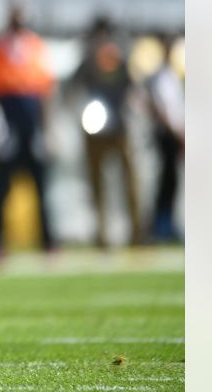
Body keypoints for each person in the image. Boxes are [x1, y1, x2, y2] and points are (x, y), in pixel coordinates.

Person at [0, 1, 56, 253]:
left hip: (30, 122)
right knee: (2, 187)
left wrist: (45, 131)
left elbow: (44, 91)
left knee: (41, 189)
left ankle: (48, 242)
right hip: (7, 121)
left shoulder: (35, 45)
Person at [70, 15, 143, 248]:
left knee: (129, 182)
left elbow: (133, 88)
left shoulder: (120, 59)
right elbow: (74, 88)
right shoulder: (88, 61)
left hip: (120, 127)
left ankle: (137, 233)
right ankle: (101, 235)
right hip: (94, 130)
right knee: (97, 184)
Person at [146, 32, 184, 243]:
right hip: (167, 134)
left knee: (172, 181)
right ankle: (161, 226)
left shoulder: (172, 75)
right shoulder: (160, 76)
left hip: (174, 133)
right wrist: (177, 132)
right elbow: (163, 109)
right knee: (166, 180)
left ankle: (167, 223)